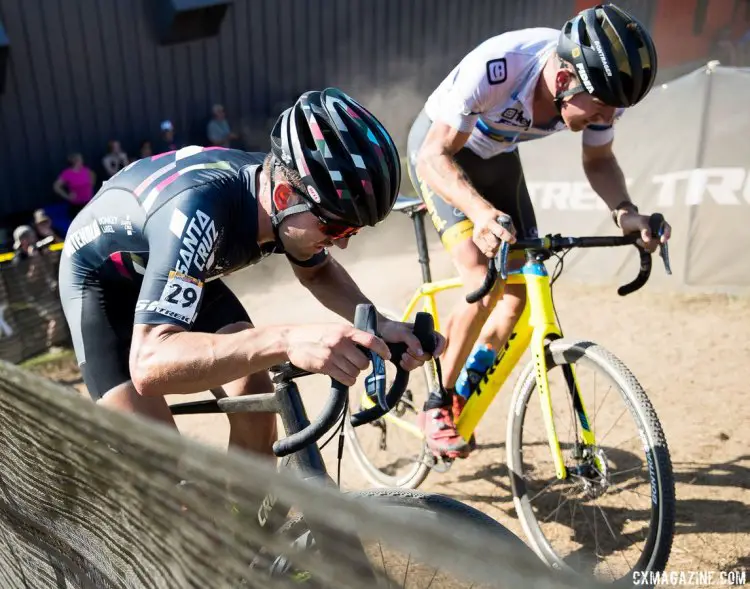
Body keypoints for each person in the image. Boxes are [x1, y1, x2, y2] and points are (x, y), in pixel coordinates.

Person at [58, 88, 445, 462]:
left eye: (352, 233)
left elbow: (317, 273)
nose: (340, 244)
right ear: (281, 199)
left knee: (254, 396)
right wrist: (288, 338)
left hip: (170, 263)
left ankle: (245, 523)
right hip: (101, 286)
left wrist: (381, 324)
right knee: (160, 463)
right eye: (336, 229)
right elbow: (150, 365)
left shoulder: (288, 198)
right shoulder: (202, 211)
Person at [407, 4, 672, 459]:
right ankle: (437, 401)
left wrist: (626, 212)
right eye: (601, 108)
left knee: (520, 295)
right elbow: (433, 157)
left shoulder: (597, 93)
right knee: (481, 278)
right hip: (442, 149)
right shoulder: (501, 67)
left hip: (498, 155)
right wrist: (481, 213)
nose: (606, 118)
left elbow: (600, 161)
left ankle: (463, 393)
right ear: (566, 79)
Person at [53, 153, 97, 220]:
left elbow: (93, 175)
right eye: (80, 160)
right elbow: (56, 186)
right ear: (75, 161)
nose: (82, 161)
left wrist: (91, 185)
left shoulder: (85, 170)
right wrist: (67, 196)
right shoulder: (67, 174)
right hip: (77, 206)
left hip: (89, 203)